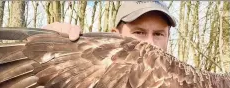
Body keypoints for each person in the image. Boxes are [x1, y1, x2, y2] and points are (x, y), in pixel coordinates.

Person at [43, 1, 176, 52]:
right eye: (139, 32)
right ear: (116, 35)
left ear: (168, 38)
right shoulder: (87, 75)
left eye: (158, 34)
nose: (150, 43)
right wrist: (49, 51)